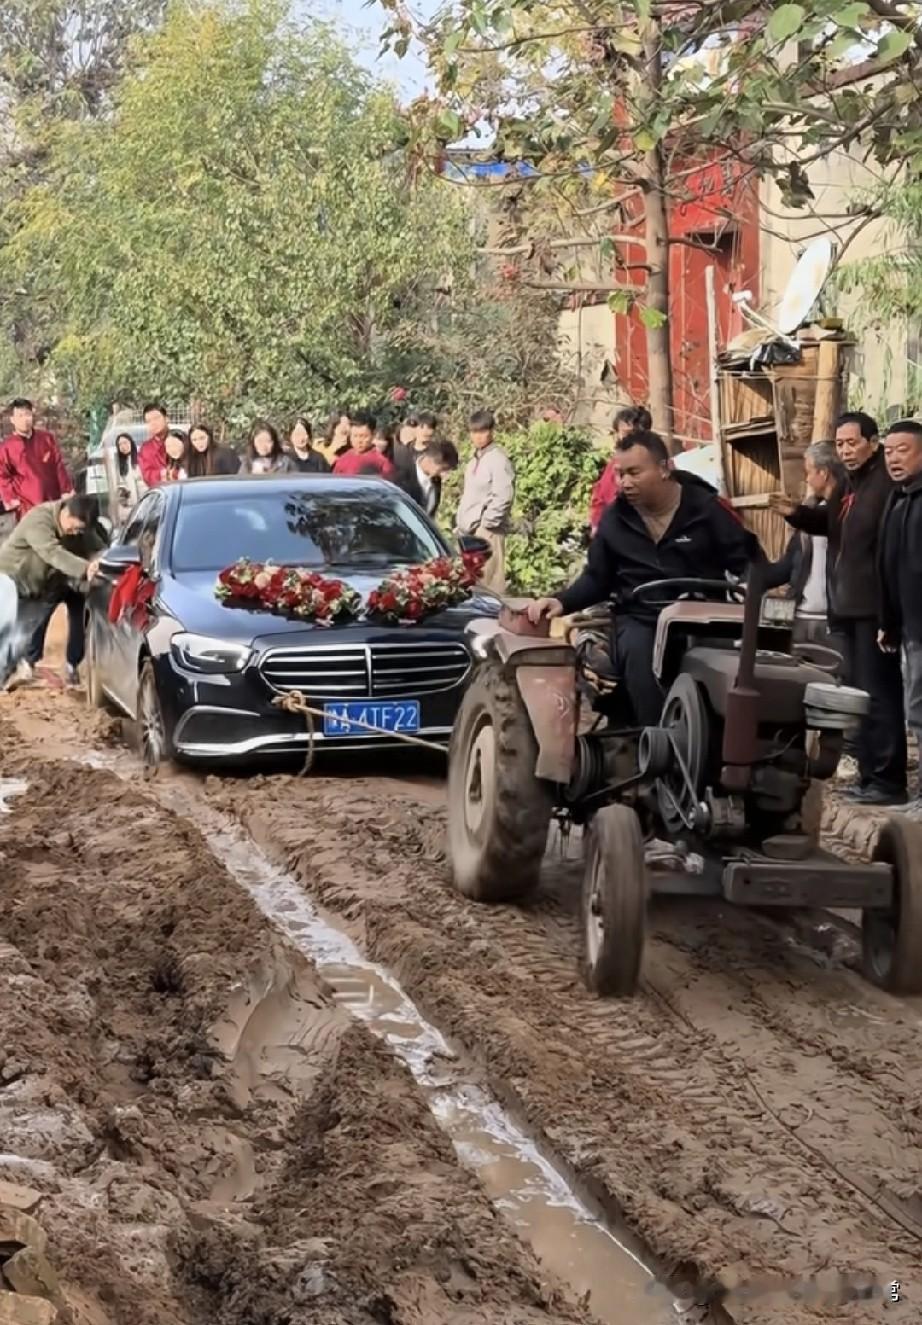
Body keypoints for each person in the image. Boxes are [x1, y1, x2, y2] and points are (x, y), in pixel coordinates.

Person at [527, 430, 758, 725]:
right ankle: (652, 738)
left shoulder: (707, 509)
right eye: (620, 474)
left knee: (732, 669)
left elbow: (749, 560)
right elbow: (597, 578)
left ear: (664, 469)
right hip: (641, 618)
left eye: (634, 473)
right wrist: (561, 601)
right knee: (638, 654)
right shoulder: (614, 519)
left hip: (704, 619)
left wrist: (758, 585)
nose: (625, 482)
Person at [770, 410, 905, 806]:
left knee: (880, 695)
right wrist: (796, 514)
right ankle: (869, 775)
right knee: (858, 694)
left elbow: (890, 550)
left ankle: (889, 780)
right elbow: (829, 524)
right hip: (844, 606)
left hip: (873, 608)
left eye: (852, 443)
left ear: (873, 443)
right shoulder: (847, 483)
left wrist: (889, 613)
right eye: (840, 444)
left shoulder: (885, 484)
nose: (845, 451)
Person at [0, 495, 105, 690]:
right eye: (73, 528)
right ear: (66, 513)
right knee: (10, 630)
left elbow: (99, 548)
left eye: (80, 531)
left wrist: (102, 560)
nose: (75, 534)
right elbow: (52, 553)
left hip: (46, 584)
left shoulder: (81, 529)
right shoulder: (39, 520)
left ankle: (16, 672)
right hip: (13, 579)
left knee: (25, 634)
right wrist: (85, 568)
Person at [764, 441, 846, 651]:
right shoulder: (807, 512)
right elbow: (788, 566)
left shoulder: (848, 512)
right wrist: (754, 575)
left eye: (808, 472)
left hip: (835, 621)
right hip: (800, 615)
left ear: (823, 473)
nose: (806, 479)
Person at [879, 420, 922, 815]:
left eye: (902, 450)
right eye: (889, 451)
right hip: (909, 627)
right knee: (916, 712)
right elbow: (889, 569)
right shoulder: (898, 500)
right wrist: (888, 622)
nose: (893, 458)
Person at [456, 408, 515, 593]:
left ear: (491, 431)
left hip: (488, 532)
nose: (479, 437)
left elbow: (503, 496)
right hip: (469, 532)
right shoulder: (474, 460)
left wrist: (487, 524)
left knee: (489, 588)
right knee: (471, 587)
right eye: (475, 432)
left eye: (483, 431)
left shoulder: (498, 459)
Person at [0, 398, 73, 523]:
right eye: (20, 416)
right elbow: (3, 476)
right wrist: (12, 500)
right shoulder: (7, 448)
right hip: (27, 507)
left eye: (28, 414)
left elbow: (58, 466)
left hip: (53, 501)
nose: (25, 419)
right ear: (12, 419)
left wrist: (66, 490)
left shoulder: (47, 439)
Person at [589, 405, 652, 535]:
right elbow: (600, 496)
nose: (621, 438)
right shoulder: (615, 463)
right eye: (620, 433)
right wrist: (596, 524)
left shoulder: (657, 464)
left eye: (627, 433)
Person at [393, 439, 459, 517]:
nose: (445, 475)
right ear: (430, 461)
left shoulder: (436, 482)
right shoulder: (402, 477)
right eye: (443, 469)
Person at [333, 411, 395, 478]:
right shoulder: (343, 460)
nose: (359, 441)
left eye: (364, 436)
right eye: (355, 436)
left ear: (373, 435)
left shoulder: (382, 463)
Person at [113, 433, 146, 521]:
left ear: (131, 442)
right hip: (131, 505)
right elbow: (121, 483)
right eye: (120, 444)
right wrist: (122, 491)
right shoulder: (121, 463)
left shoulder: (142, 457)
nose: (123, 446)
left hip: (145, 500)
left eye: (125, 442)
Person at [138, 403, 171, 487]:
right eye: (149, 421)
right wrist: (165, 473)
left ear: (167, 419)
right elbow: (147, 476)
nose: (153, 423)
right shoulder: (145, 449)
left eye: (156, 418)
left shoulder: (182, 440)